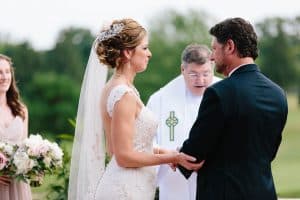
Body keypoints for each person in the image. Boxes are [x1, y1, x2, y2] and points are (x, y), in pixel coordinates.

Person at [68, 18, 202, 200]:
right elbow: (123, 156)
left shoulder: (115, 88)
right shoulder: (123, 94)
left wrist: (167, 152)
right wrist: (173, 159)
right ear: (128, 53)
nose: (150, 54)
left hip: (132, 186)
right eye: (145, 48)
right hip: (126, 190)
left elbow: (122, 147)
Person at [178, 17, 288, 200]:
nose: (212, 57)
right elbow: (269, 152)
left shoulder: (219, 93)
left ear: (229, 46)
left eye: (214, 49)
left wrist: (179, 156)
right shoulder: (278, 94)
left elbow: (194, 153)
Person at [147, 44, 221, 200]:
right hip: (174, 182)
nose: (201, 80)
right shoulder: (160, 99)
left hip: (215, 177)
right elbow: (146, 141)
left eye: (206, 73)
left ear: (212, 67)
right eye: (193, 74)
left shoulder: (225, 92)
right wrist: (170, 156)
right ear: (183, 69)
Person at [0, 54, 32, 200]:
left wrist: (34, 166)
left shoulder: (21, 110)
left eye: (7, 71)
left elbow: (25, 147)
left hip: (17, 182)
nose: (4, 77)